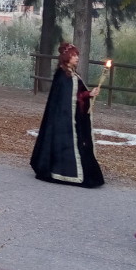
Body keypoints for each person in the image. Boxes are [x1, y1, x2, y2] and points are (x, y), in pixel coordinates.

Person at [29, 42, 105, 187]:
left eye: (77, 55)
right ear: (66, 57)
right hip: (63, 120)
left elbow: (77, 95)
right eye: (74, 55)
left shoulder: (73, 75)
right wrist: (84, 96)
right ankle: (63, 172)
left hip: (72, 119)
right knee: (66, 146)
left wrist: (90, 94)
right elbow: (65, 100)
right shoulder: (62, 76)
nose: (77, 58)